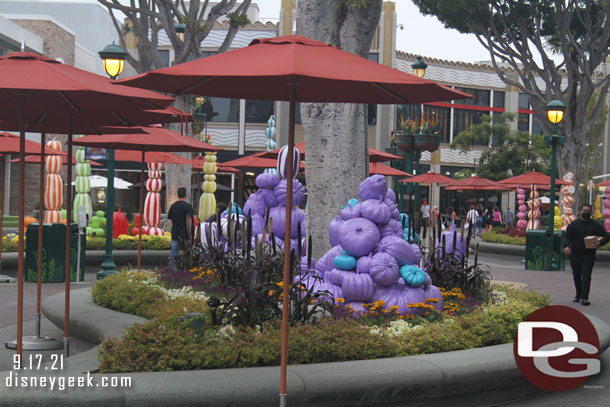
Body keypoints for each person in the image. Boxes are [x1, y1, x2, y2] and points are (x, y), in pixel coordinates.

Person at [563, 204, 610, 306]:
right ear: (580, 211)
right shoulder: (573, 224)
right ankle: (578, 294)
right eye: (584, 210)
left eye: (588, 211)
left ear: (591, 212)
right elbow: (566, 236)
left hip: (589, 254)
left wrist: (599, 243)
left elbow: (607, 236)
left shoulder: (596, 225)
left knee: (586, 275)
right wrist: (566, 246)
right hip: (575, 254)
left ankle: (585, 297)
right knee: (576, 274)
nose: (586, 212)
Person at [167, 187, 194, 260]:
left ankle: (172, 263)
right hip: (185, 231)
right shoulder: (188, 206)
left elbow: (171, 219)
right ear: (186, 195)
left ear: (177, 195)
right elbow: (190, 220)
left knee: (174, 249)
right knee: (187, 250)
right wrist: (191, 233)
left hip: (175, 230)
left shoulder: (173, 206)